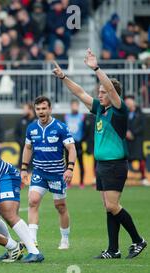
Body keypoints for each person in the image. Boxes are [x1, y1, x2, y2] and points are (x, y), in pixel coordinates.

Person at [53, 49, 147, 259]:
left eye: (103, 92)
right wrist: (64, 77)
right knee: (108, 207)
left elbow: (111, 91)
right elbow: (79, 92)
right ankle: (113, 249)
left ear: (112, 93)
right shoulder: (99, 110)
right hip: (103, 165)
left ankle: (138, 240)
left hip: (115, 164)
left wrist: (95, 67)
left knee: (113, 205)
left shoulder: (118, 110)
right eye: (100, 92)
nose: (99, 94)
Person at [22, 96, 77, 250]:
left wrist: (70, 168)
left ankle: (65, 239)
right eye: (38, 109)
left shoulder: (60, 127)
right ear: (35, 110)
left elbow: (71, 148)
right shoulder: (31, 128)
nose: (41, 111)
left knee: (60, 206)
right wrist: (24, 168)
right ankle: (32, 240)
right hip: (39, 172)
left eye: (44, 108)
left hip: (57, 174)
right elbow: (27, 148)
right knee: (32, 201)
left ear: (50, 109)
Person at [125, 95, 149, 186]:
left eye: (129, 102)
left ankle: (143, 178)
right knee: (125, 159)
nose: (128, 104)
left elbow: (143, 127)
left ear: (134, 102)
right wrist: (126, 132)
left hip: (137, 140)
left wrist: (133, 133)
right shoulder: (125, 113)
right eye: (126, 103)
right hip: (127, 140)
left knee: (140, 158)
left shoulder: (140, 113)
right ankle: (123, 178)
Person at [64, 99, 87, 188]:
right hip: (68, 144)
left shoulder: (82, 117)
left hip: (78, 143)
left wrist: (82, 140)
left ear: (78, 106)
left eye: (76, 105)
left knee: (81, 163)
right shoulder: (66, 117)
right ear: (71, 106)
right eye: (73, 105)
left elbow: (85, 130)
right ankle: (68, 183)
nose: (74, 107)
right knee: (68, 164)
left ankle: (81, 182)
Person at [14, 102, 36, 167]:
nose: (23, 111)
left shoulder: (38, 121)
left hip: (35, 150)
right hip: (23, 148)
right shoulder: (20, 120)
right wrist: (20, 142)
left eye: (25, 109)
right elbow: (16, 133)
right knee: (22, 168)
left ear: (30, 110)